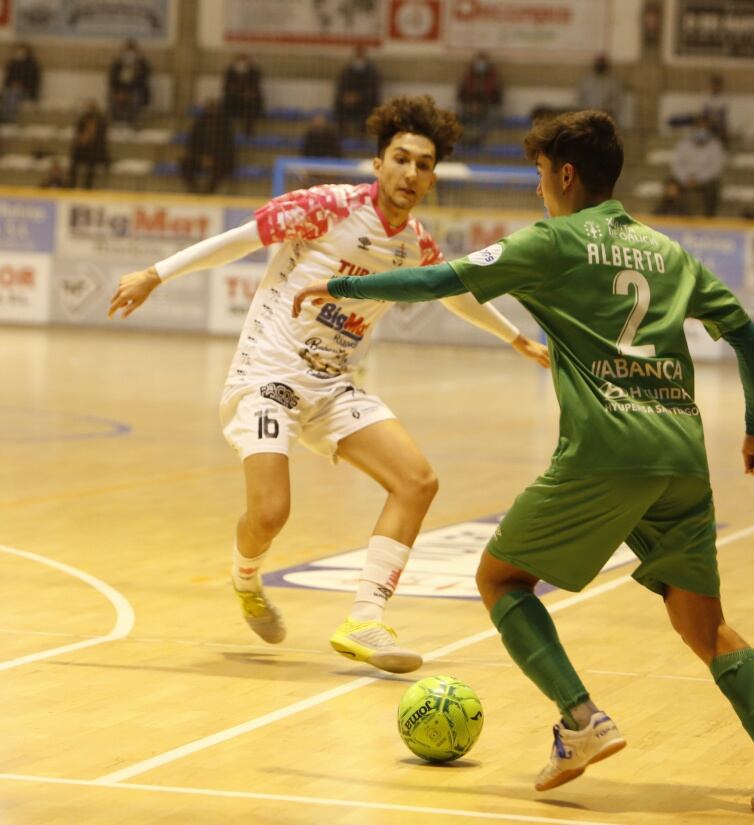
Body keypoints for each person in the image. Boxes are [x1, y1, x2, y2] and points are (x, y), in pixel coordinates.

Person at [292, 109, 754, 823]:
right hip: (681, 457)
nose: (540, 192)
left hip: (607, 452)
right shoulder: (669, 253)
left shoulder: (551, 242)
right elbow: (749, 337)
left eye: (542, 177)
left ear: (566, 175)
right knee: (706, 626)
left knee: (500, 578)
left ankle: (581, 719)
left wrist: (344, 289)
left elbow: (440, 277)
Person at [107, 96, 549, 675]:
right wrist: (154, 274)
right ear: (377, 164)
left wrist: (515, 337)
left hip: (335, 387)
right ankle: (244, 575)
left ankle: (366, 617)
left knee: (417, 482)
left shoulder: (415, 241)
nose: (411, 172)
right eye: (401, 159)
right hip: (268, 376)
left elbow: (454, 290)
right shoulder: (326, 208)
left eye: (423, 164)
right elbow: (242, 238)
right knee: (269, 514)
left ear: (432, 177)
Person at [671, 115, 725, 217]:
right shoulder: (683, 144)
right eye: (699, 127)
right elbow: (677, 164)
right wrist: (685, 179)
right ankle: (677, 217)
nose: (701, 131)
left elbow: (715, 169)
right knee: (671, 187)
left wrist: (698, 180)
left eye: (704, 128)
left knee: (713, 187)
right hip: (685, 179)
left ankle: (708, 218)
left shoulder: (715, 146)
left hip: (705, 181)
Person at [181, 98, 235, 194]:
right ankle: (193, 189)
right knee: (185, 163)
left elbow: (227, 147)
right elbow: (192, 144)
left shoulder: (224, 126)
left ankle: (210, 190)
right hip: (199, 158)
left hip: (219, 159)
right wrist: (201, 157)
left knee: (223, 166)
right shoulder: (199, 124)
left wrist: (213, 158)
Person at [457, 51, 503, 149]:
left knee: (493, 116)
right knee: (457, 115)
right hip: (469, 108)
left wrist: (483, 106)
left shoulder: (494, 78)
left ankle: (480, 140)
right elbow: (461, 95)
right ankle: (463, 141)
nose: (481, 65)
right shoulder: (468, 77)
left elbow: (498, 98)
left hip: (487, 108)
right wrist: (471, 106)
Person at [333, 46, 380, 138]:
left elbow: (373, 90)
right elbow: (341, 87)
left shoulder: (372, 72)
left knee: (369, 108)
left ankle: (362, 133)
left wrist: (358, 97)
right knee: (339, 105)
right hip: (348, 102)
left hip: (365, 102)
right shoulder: (347, 71)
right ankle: (342, 132)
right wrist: (346, 97)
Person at [108, 39, 150, 127]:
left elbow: (143, 81)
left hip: (135, 91)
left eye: (132, 52)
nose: (129, 55)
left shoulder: (141, 65)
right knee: (111, 97)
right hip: (120, 91)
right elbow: (112, 80)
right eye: (127, 52)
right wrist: (118, 92)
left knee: (136, 98)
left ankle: (131, 122)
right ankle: (117, 121)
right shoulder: (117, 64)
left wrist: (137, 69)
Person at [68, 100, 109, 189]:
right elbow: (77, 137)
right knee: (75, 155)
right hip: (84, 150)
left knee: (92, 157)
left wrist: (91, 137)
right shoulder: (82, 121)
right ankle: (71, 183)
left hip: (96, 152)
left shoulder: (101, 123)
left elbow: (101, 142)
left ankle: (87, 185)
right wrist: (82, 140)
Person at [223, 53, 264, 136]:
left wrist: (248, 92)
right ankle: (227, 129)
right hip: (234, 100)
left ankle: (248, 129)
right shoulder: (230, 72)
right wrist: (235, 91)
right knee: (227, 102)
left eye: (244, 60)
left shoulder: (254, 72)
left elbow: (256, 88)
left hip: (249, 101)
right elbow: (226, 88)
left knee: (250, 103)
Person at [576, 54, 623, 124]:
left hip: (606, 117)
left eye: (602, 63)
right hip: (588, 116)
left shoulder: (613, 82)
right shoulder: (586, 81)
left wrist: (606, 110)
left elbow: (617, 101)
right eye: (598, 63)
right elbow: (580, 99)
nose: (600, 65)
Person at [1, 43, 41, 123]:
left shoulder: (32, 66)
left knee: (14, 94)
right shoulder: (12, 65)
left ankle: (8, 118)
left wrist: (21, 85)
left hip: (27, 91)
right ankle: (4, 116)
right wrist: (12, 84)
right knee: (8, 94)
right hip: (12, 89)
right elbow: (6, 81)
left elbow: (34, 82)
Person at [699, 73, 729, 146]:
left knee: (722, 132)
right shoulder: (705, 97)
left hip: (718, 125)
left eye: (717, 85)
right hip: (707, 124)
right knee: (702, 131)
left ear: (720, 87)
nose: (715, 87)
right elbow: (704, 114)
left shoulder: (724, 99)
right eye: (713, 85)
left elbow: (723, 117)